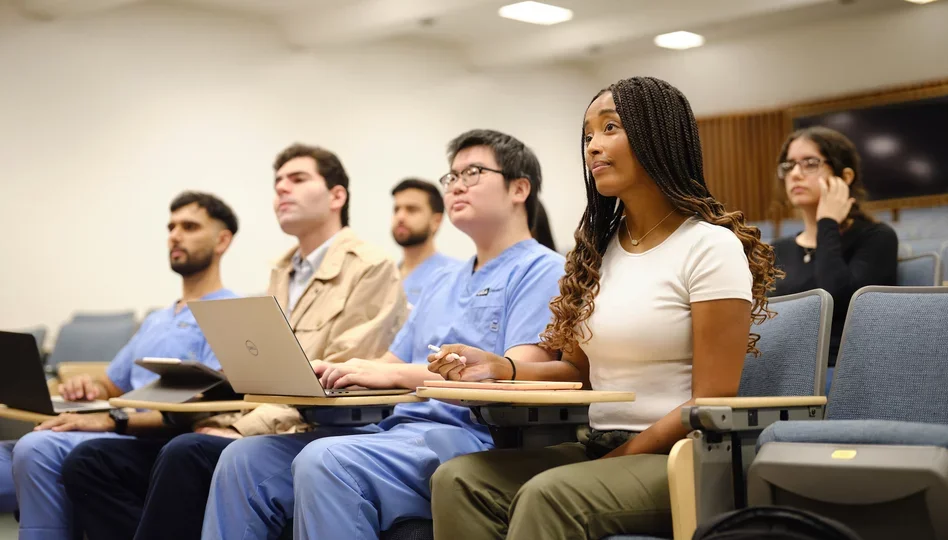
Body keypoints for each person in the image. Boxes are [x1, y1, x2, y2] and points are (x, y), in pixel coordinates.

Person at [428, 76, 781, 540]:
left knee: (549, 494)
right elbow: (577, 373)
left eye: (610, 127)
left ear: (657, 136)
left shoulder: (709, 247)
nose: (593, 146)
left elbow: (712, 399)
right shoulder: (597, 251)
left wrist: (621, 456)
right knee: (459, 479)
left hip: (680, 456)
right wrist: (499, 367)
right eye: (588, 134)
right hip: (595, 445)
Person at [202, 129, 566, 540]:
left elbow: (517, 378)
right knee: (243, 460)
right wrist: (331, 371)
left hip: (472, 438)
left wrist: (393, 374)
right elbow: (388, 364)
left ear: (519, 188)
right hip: (398, 430)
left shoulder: (543, 270)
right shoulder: (443, 281)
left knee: (326, 460)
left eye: (473, 173)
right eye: (451, 176)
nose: (456, 185)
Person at [60, 144, 407, 540]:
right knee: (91, 461)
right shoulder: (282, 271)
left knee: (185, 452)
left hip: (311, 432)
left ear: (336, 196)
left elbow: (336, 380)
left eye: (297, 179)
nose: (282, 189)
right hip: (258, 422)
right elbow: (258, 373)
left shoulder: (371, 267)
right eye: (278, 182)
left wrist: (240, 429)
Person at [4, 191, 240, 540]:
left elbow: (207, 403)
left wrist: (113, 419)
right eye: (171, 227)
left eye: (189, 227)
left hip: (156, 436)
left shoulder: (230, 313)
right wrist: (88, 388)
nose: (175, 236)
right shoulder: (158, 319)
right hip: (122, 426)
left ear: (222, 240)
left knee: (36, 448)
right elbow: (112, 385)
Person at [770, 126, 898, 392]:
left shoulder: (876, 238)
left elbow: (834, 299)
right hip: (780, 370)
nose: (795, 174)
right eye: (789, 165)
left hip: (843, 375)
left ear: (845, 176)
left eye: (810, 163)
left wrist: (827, 222)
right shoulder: (776, 250)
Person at [391, 178, 460, 306]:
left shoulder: (456, 276)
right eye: (396, 209)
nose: (400, 217)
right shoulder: (386, 276)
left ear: (436, 221)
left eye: (411, 209)